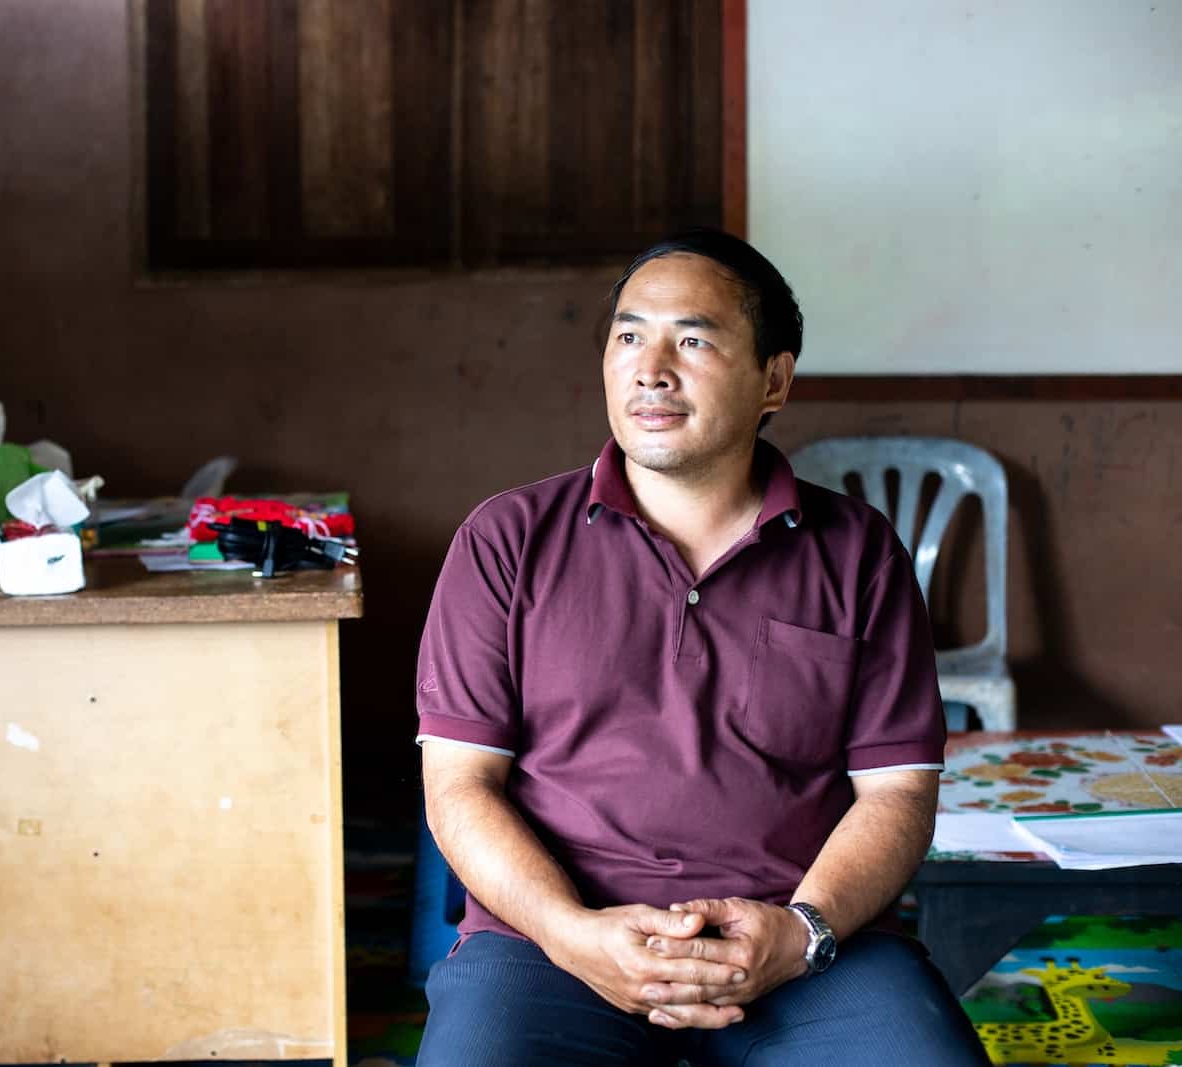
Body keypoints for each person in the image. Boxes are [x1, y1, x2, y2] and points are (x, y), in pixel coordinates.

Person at [412, 230, 989, 1065]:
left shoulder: (857, 551)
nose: (651, 368)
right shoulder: (506, 540)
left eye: (691, 339)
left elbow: (898, 794)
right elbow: (460, 786)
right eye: (628, 336)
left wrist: (801, 932)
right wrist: (573, 935)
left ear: (774, 380)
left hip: (801, 947)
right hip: (550, 946)